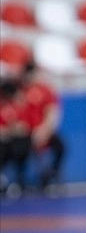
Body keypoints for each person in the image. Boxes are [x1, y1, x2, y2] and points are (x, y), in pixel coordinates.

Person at [18, 61, 66, 190]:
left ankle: (52, 173)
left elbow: (52, 111)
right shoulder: (20, 91)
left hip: (43, 131)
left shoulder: (45, 90)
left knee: (60, 146)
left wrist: (44, 130)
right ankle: (21, 180)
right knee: (18, 148)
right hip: (26, 133)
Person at [0, 78, 31, 196]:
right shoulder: (3, 107)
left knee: (21, 147)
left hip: (16, 143)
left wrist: (10, 130)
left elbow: (24, 128)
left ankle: (20, 180)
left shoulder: (19, 106)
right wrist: (11, 130)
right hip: (4, 144)